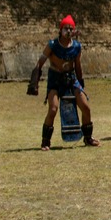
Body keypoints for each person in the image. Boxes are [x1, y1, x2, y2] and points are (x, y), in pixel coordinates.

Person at [27, 15, 100, 149]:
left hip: (71, 79)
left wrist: (81, 83)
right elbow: (40, 62)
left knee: (86, 107)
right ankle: (45, 141)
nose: (68, 31)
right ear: (60, 30)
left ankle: (88, 138)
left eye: (70, 28)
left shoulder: (77, 46)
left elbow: (77, 65)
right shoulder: (52, 45)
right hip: (55, 80)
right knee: (53, 108)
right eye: (66, 28)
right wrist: (34, 82)